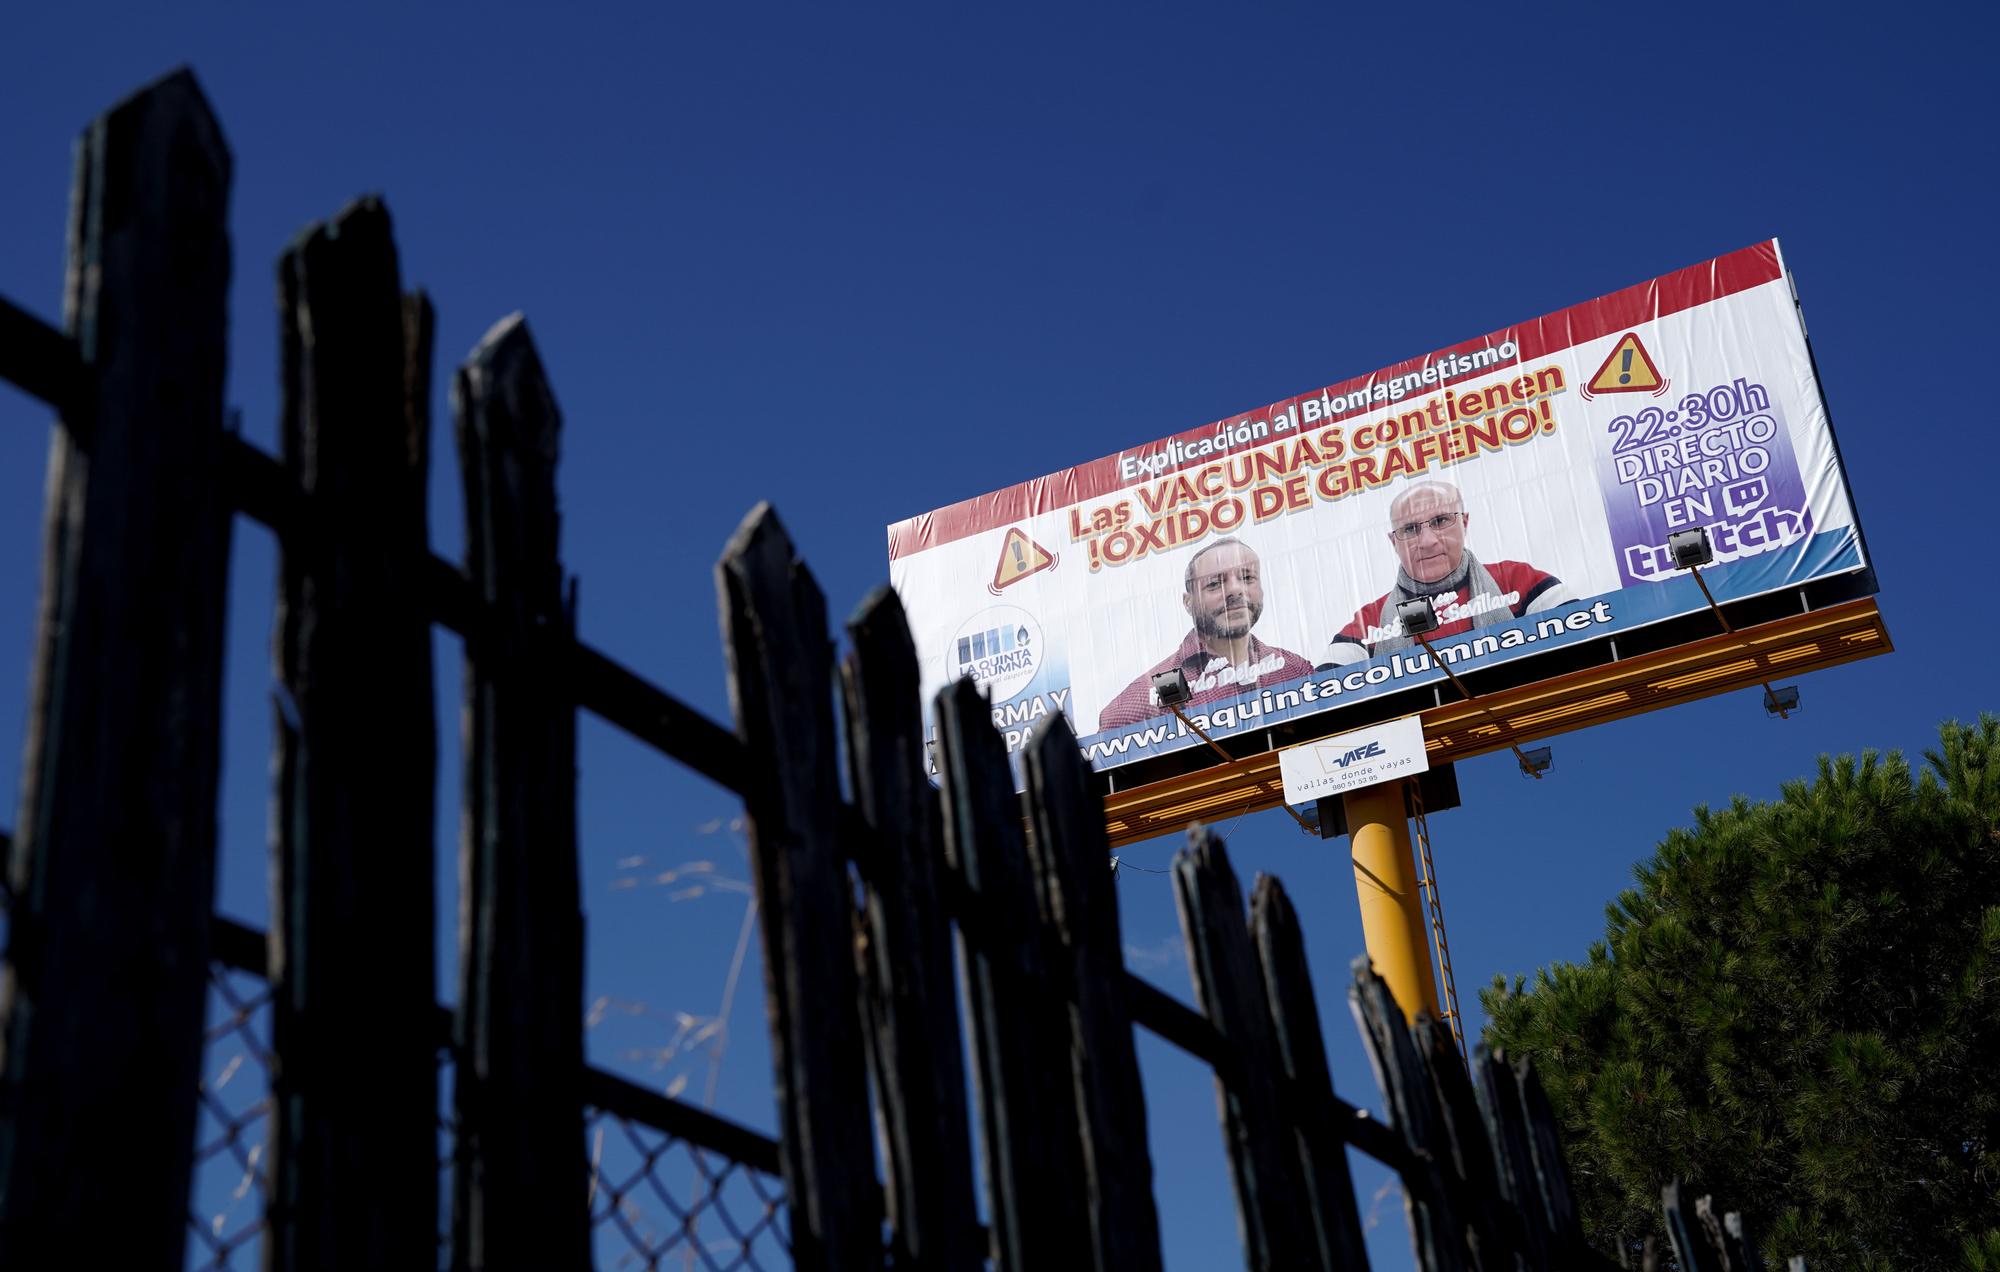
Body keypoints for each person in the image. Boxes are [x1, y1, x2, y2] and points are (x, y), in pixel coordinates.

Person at [1322, 479, 1570, 666]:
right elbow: (1323, 692)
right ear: (1393, 542)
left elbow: (1587, 635)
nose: (1427, 541)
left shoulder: (1517, 581)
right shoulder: (1371, 623)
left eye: (1440, 521)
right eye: (1410, 529)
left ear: (1464, 522)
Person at [1097, 537, 1315, 730]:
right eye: (1215, 583)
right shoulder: (1141, 702)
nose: (1235, 590)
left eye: (1247, 578)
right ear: (1188, 602)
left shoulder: (1294, 670)